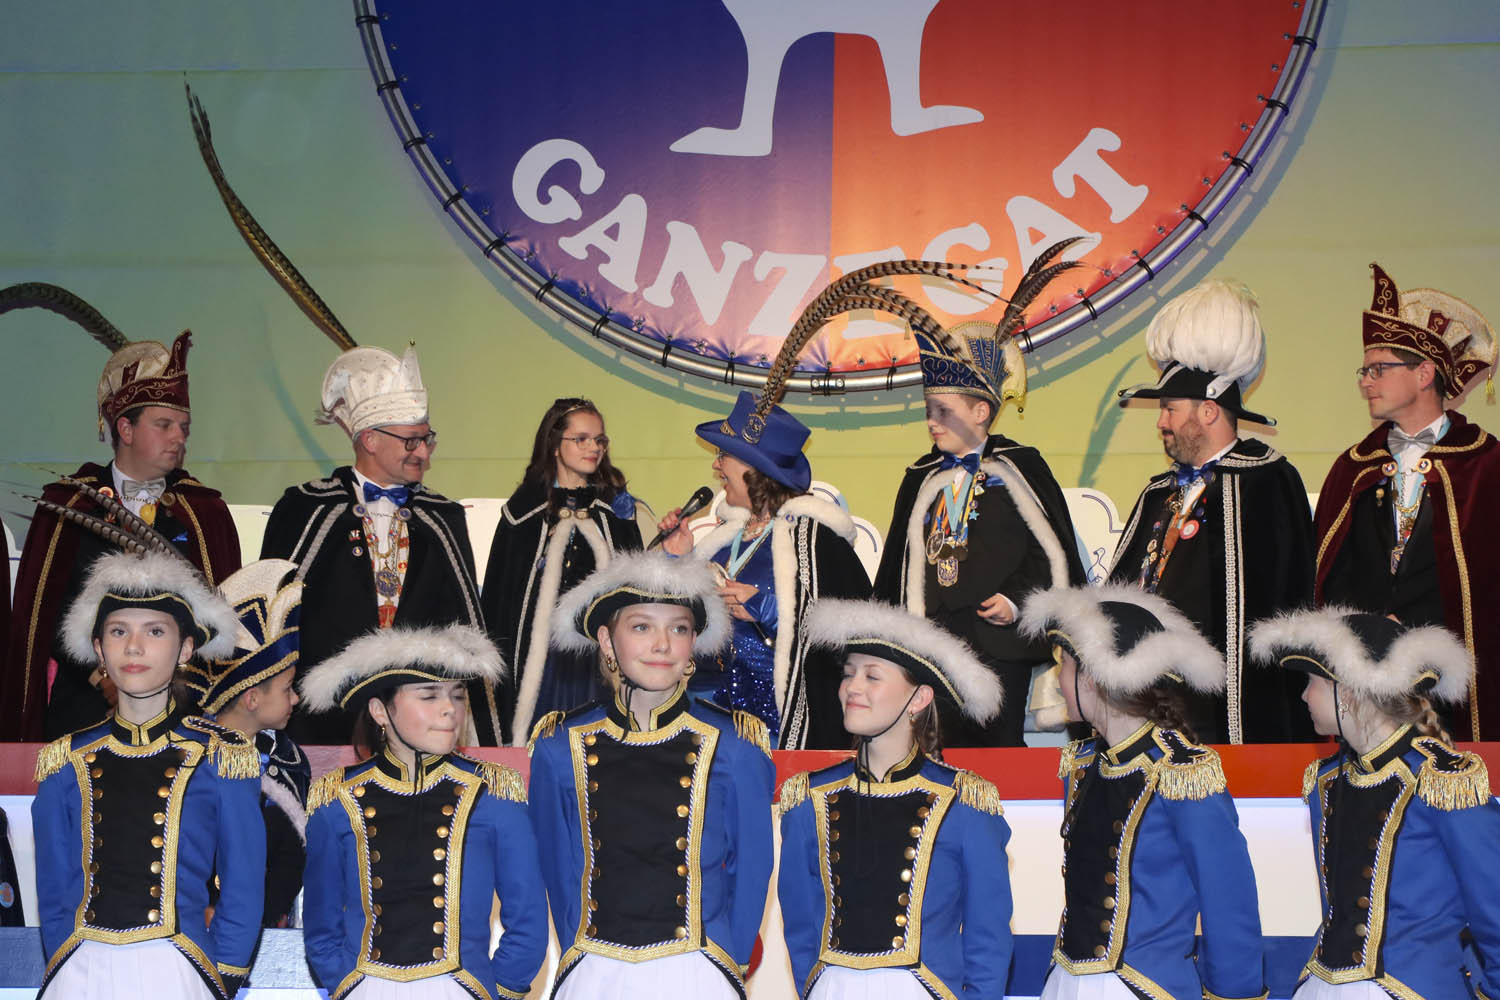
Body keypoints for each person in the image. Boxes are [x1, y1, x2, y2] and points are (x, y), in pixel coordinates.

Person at [528, 550, 774, 998]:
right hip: (595, 973)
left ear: (693, 643)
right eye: (642, 627)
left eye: (678, 628)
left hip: (697, 973)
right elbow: (558, 871)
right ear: (607, 641)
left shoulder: (734, 743)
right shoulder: (560, 745)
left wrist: (728, 960)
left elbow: (752, 867)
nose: (663, 644)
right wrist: (577, 954)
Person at [874, 245, 1088, 748]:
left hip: (997, 648)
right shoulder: (920, 476)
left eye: (944, 411)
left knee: (995, 760)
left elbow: (1051, 554)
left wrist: (1016, 602)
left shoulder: (1019, 466)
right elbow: (896, 566)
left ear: (981, 412)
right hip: (929, 649)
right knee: (929, 754)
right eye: (928, 410)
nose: (932, 422)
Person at [31, 551, 263, 1000]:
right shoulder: (66, 761)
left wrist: (221, 975)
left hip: (177, 970)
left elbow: (244, 884)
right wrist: (65, 960)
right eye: (118, 631)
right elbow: (55, 892)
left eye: (155, 631)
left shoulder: (221, 756)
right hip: (81, 972)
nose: (134, 647)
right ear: (99, 648)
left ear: (186, 648)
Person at [1019, 583, 1266, 1000]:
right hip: (1067, 981)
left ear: (1094, 676)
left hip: (1145, 988)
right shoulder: (1081, 765)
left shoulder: (1182, 771)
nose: (1057, 681)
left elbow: (1228, 901)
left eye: (1064, 666)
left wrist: (1233, 994)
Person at [1250, 608, 1500, 999]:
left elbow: (1494, 908)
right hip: (1323, 985)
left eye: (1312, 682)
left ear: (1347, 691)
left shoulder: (1441, 780)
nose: (1303, 695)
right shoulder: (1327, 781)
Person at [5, 330, 241, 740]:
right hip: (84, 710)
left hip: (184, 714)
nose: (179, 437)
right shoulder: (69, 505)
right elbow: (43, 616)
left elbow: (224, 624)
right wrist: (103, 676)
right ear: (126, 430)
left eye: (183, 427)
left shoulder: (204, 513)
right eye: (164, 425)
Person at [1111, 277, 1317, 744]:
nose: (1160, 422)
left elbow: (1276, 605)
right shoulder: (1159, 492)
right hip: (1151, 703)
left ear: (1208, 412)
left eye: (1169, 409)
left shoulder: (1265, 482)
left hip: (1224, 711)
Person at [777, 598, 1012, 999]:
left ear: (918, 699)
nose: (852, 687)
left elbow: (987, 940)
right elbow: (801, 927)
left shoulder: (964, 803)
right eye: (848, 674)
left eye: (872, 676)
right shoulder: (809, 799)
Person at [299, 623, 548, 999]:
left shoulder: (493, 792)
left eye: (458, 695)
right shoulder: (337, 799)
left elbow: (527, 919)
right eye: (429, 696)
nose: (450, 709)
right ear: (380, 711)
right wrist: (349, 985)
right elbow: (321, 925)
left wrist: (488, 991)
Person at [261, 345, 485, 745]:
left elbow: (464, 625)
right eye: (412, 441)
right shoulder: (306, 508)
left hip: (416, 726)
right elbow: (273, 621)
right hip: (319, 721)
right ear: (369, 440)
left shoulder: (443, 516)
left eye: (427, 439)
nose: (423, 452)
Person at [1314, 262, 1500, 740]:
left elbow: (1487, 578)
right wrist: (1370, 629)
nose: (1365, 381)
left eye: (1378, 369)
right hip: (1369, 677)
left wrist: (1413, 621)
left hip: (1455, 677)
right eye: (1364, 370)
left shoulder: (1485, 464)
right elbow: (1332, 574)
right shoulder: (1354, 467)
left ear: (1424, 374)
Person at [659, 388, 870, 748]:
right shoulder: (725, 540)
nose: (716, 465)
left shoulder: (816, 541)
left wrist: (770, 610)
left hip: (785, 731)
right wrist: (679, 560)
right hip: (717, 721)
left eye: (723, 455)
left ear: (753, 467)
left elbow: (860, 634)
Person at [480, 397, 647, 746]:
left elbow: (636, 594)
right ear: (555, 444)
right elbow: (501, 601)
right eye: (581, 439)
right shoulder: (523, 514)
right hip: (542, 665)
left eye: (599, 440)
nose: (593, 448)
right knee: (542, 746)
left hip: (597, 662)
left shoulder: (615, 512)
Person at [199, 558, 310, 929]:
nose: (295, 698)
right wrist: (202, 907)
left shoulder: (289, 760)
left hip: (262, 925)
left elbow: (292, 856)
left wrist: (261, 915)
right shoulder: (190, 753)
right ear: (252, 698)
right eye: (287, 688)